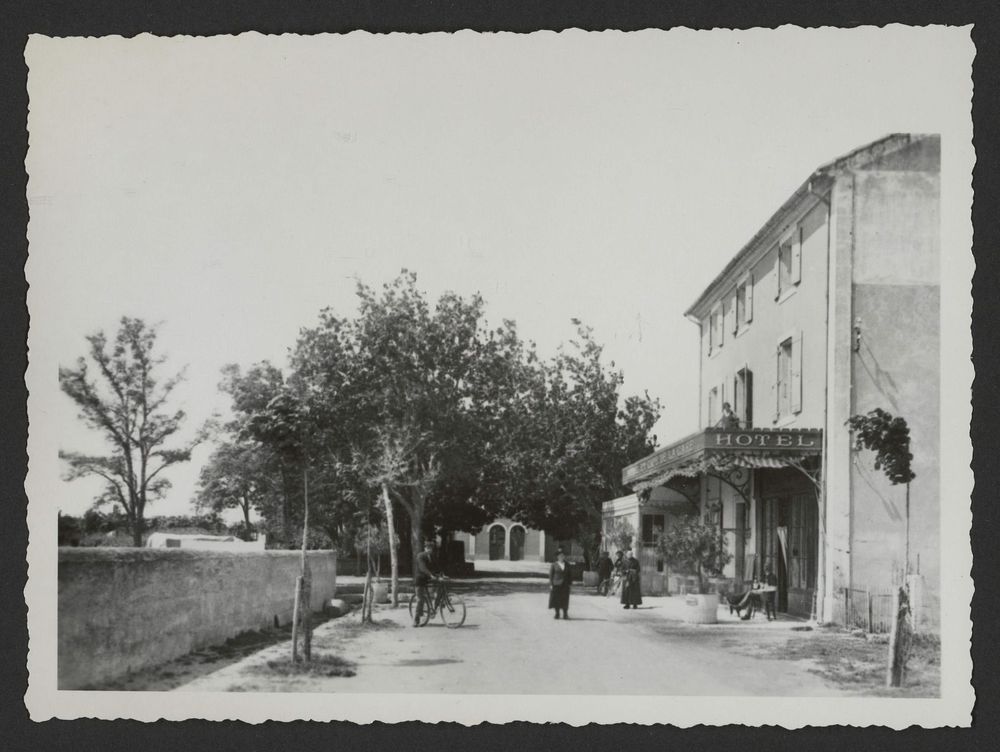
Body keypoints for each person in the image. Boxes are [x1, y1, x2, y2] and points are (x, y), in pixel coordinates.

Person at [413, 539, 438, 627]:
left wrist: (440, 574)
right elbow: (422, 568)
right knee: (420, 600)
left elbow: (435, 567)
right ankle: (416, 620)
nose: (429, 549)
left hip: (427, 579)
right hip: (419, 580)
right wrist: (431, 575)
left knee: (437, 590)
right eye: (428, 548)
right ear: (425, 548)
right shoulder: (421, 556)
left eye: (431, 548)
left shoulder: (431, 557)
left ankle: (433, 609)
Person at [548, 548, 572, 620]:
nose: (562, 557)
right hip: (556, 584)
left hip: (565, 584)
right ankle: (557, 613)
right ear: (557, 557)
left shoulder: (567, 565)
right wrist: (551, 584)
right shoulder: (554, 565)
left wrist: (570, 584)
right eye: (560, 556)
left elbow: (570, 575)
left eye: (563, 556)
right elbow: (551, 575)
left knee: (565, 599)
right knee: (556, 599)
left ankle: (565, 614)